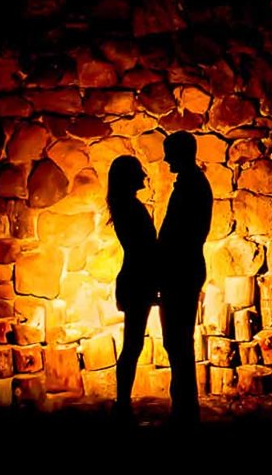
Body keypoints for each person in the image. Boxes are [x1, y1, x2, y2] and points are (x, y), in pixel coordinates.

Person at [157, 132, 212, 425]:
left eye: (169, 153)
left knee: (177, 339)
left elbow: (179, 232)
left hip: (181, 269)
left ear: (181, 153)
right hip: (184, 268)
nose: (166, 160)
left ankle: (184, 410)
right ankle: (184, 407)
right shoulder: (193, 183)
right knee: (177, 340)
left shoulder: (190, 187)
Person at [104, 155, 157, 422]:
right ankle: (122, 403)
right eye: (138, 171)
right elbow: (145, 249)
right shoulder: (132, 208)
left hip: (134, 279)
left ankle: (122, 402)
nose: (143, 175)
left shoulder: (125, 207)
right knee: (132, 345)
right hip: (138, 280)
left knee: (132, 345)